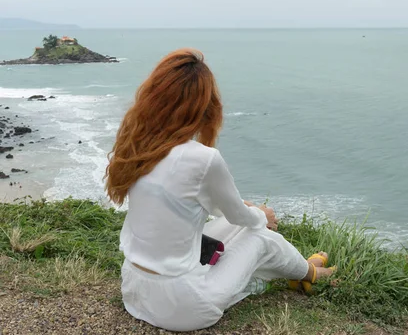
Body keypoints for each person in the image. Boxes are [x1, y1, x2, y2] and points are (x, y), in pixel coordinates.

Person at [105, 48, 335, 332]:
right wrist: (262, 215)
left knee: (238, 225)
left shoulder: (137, 145)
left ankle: (297, 271)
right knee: (261, 238)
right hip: (184, 308)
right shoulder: (202, 158)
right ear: (204, 105)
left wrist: (248, 209)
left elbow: (209, 206)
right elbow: (243, 218)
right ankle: (311, 273)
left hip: (135, 291)